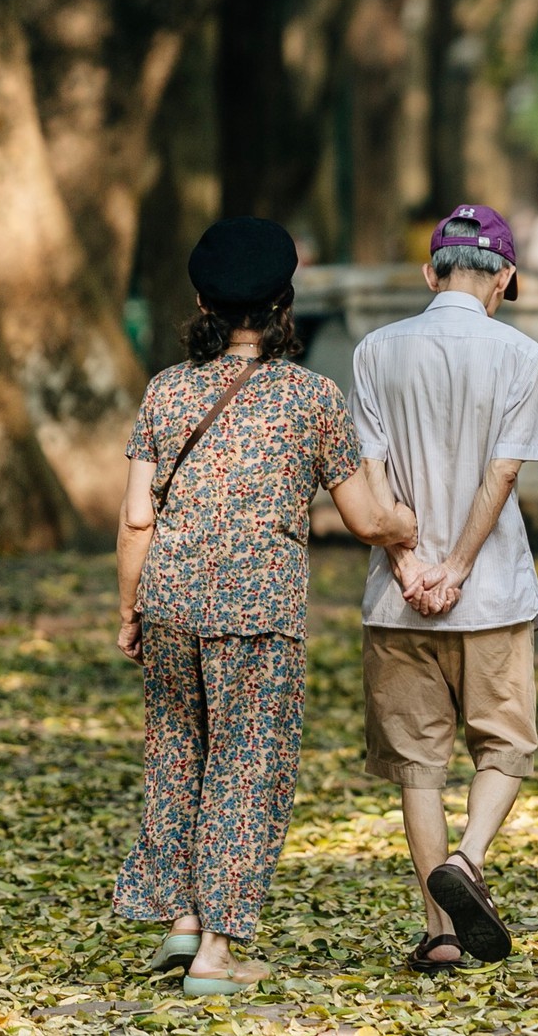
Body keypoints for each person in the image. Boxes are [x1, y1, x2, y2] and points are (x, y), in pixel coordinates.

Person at [114, 218, 418, 996]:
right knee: (247, 766)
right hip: (259, 611)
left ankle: (182, 916)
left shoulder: (165, 390)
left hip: (170, 601)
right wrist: (407, 527)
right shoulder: (312, 398)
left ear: (200, 302)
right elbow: (364, 517)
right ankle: (216, 952)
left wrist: (129, 608)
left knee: (176, 755)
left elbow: (137, 517)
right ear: (286, 302)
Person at [349, 204, 538, 974]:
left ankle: (439, 933)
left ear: (430, 273)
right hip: (491, 594)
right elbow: (504, 472)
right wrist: (459, 566)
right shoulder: (521, 353)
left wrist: (407, 564)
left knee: (418, 765)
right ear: (504, 277)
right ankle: (468, 858)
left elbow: (370, 469)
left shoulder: (375, 350)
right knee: (504, 745)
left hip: (397, 600)